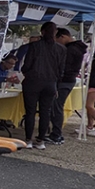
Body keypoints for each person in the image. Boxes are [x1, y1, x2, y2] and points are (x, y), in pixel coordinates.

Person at [19, 21, 65, 150]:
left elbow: (26, 65)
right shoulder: (61, 49)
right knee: (45, 112)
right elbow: (61, 70)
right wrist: (56, 84)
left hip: (33, 81)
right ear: (55, 33)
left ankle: (28, 139)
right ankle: (40, 140)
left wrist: (27, 72)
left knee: (30, 111)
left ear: (42, 32)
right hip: (50, 83)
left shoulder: (34, 46)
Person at [46, 28, 88, 144]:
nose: (56, 43)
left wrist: (56, 76)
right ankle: (55, 133)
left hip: (64, 81)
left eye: (57, 39)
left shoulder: (70, 50)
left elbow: (64, 67)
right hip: (68, 80)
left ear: (63, 37)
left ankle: (56, 134)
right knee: (56, 106)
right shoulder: (77, 48)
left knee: (56, 106)